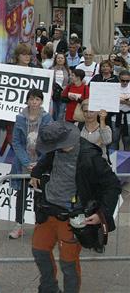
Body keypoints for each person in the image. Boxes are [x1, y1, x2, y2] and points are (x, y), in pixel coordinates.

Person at [30, 121, 121, 293]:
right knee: (39, 251)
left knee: (68, 263)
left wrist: (102, 214)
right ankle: (49, 289)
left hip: (72, 216)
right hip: (48, 211)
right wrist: (35, 173)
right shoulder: (55, 151)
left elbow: (112, 185)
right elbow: (44, 162)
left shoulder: (90, 156)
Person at [9, 88, 53, 239]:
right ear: (27, 100)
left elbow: (50, 142)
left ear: (41, 101)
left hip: (40, 163)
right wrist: (26, 161)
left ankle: (38, 226)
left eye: (37, 99)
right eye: (32, 99)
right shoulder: (20, 117)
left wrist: (39, 164)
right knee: (21, 195)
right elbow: (15, 141)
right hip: (23, 164)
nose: (34, 102)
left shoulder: (47, 118)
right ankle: (19, 225)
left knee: (38, 197)